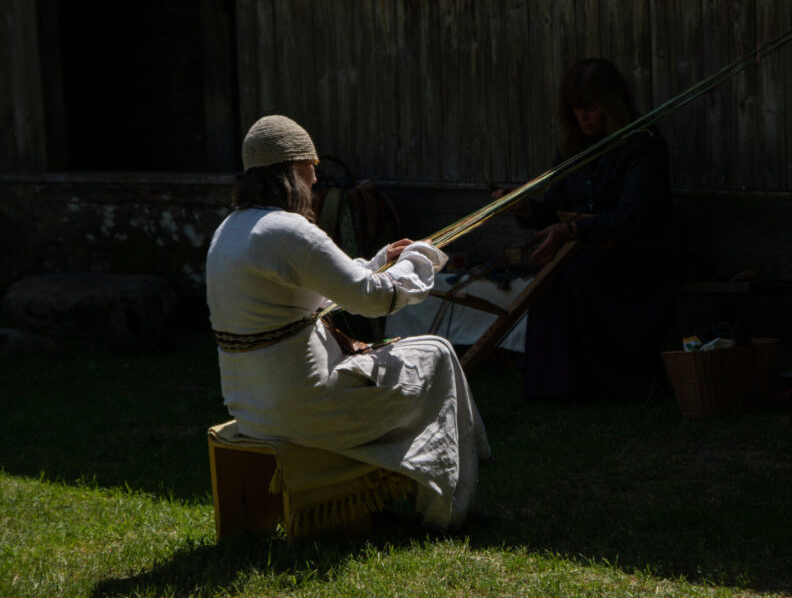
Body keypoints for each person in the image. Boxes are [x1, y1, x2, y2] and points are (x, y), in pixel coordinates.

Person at [206, 114, 490, 532]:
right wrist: (418, 258)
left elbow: (322, 285)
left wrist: (379, 262)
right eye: (310, 168)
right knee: (438, 352)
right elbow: (376, 299)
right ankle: (443, 508)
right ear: (291, 169)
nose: (316, 181)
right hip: (303, 410)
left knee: (422, 356)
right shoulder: (290, 231)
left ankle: (424, 484)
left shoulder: (229, 229)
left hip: (252, 410)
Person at [496, 59, 680, 402]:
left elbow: (633, 217)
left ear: (611, 104)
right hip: (588, 251)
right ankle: (551, 385)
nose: (584, 117)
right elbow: (555, 205)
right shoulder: (574, 150)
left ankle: (604, 383)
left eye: (592, 107)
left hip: (638, 258)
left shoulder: (643, 144)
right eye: (577, 109)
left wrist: (573, 230)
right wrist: (526, 209)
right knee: (549, 278)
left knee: (575, 274)